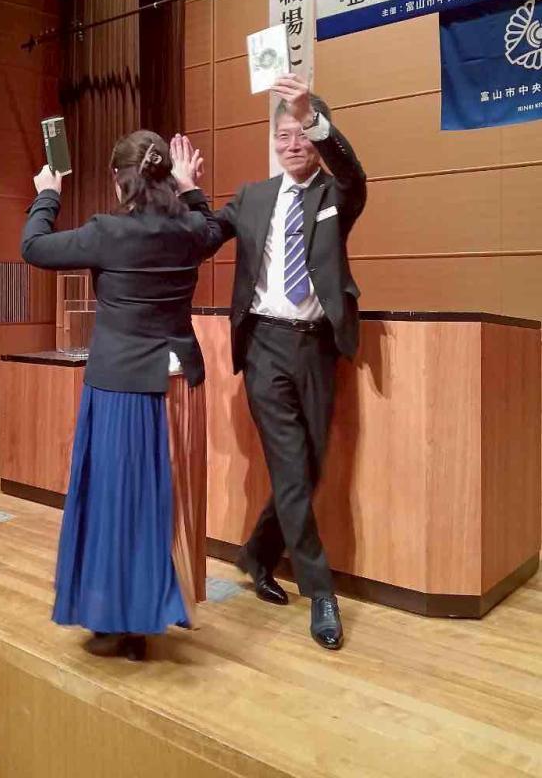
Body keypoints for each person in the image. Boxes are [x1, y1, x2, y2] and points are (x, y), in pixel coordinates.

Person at [172, 73, 367, 651]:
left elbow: (354, 173)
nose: (292, 144)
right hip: (263, 346)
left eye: (301, 132)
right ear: (273, 142)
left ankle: (258, 554)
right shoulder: (254, 197)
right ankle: (320, 591)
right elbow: (207, 234)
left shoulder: (336, 194)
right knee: (289, 467)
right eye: (283, 134)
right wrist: (188, 189)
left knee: (310, 467)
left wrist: (312, 116)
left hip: (318, 346)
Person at [21, 130, 210, 661]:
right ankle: (145, 615)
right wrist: (191, 189)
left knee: (112, 502)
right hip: (173, 384)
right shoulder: (191, 229)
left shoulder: (107, 232)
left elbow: (33, 246)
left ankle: (116, 619)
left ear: (118, 179)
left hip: (119, 385)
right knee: (155, 505)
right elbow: (214, 226)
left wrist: (48, 193)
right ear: (166, 175)